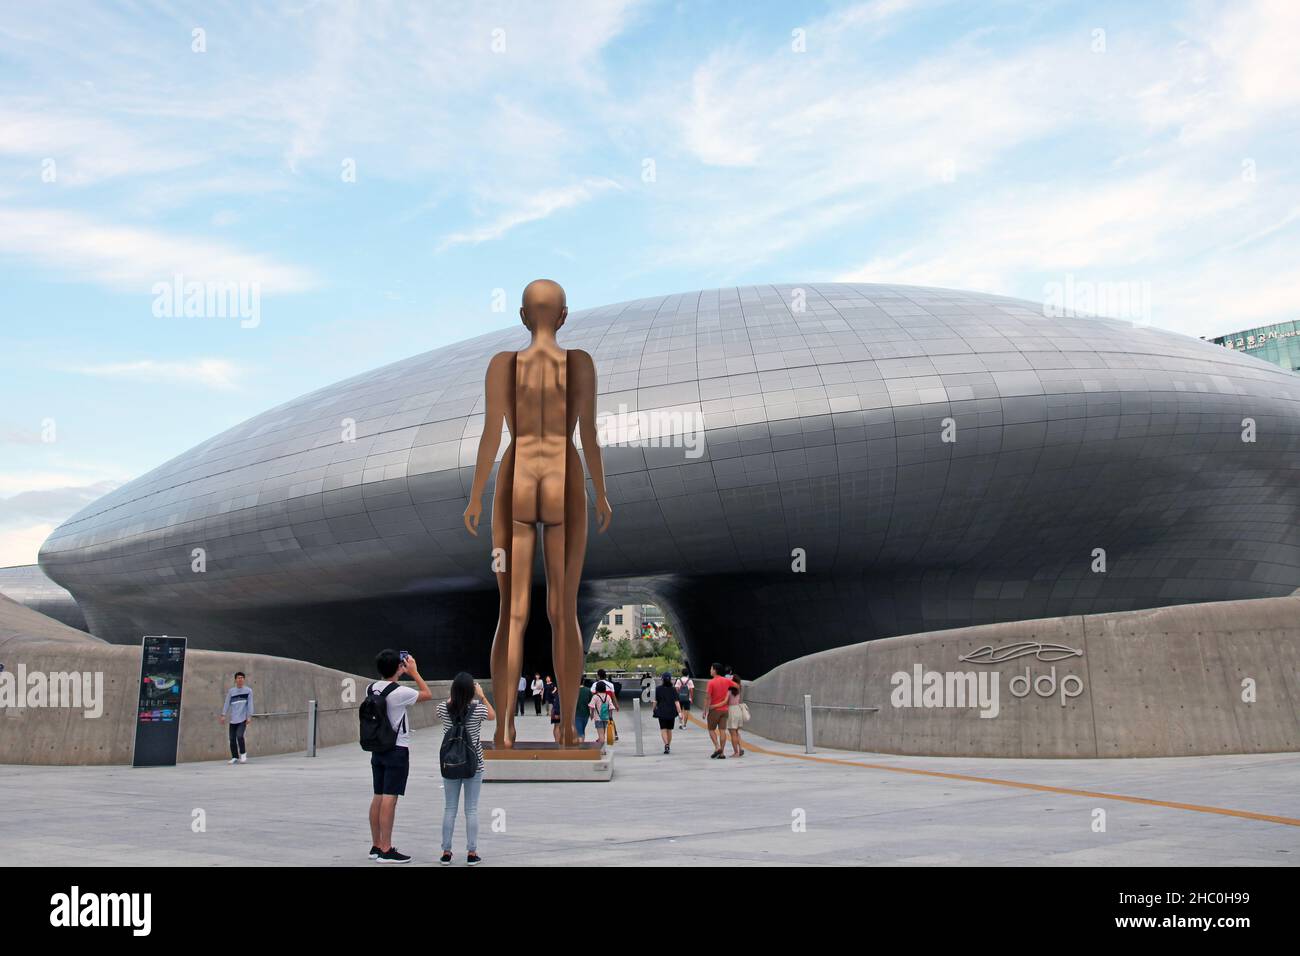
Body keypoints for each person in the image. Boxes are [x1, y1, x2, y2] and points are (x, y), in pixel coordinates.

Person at [367, 649, 432, 863]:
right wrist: (414, 672)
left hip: (377, 748)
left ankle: (376, 845)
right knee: (390, 798)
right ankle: (387, 849)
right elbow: (427, 694)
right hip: (396, 749)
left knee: (378, 795)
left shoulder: (371, 688)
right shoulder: (400, 692)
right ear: (398, 667)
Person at [438, 672, 494, 866]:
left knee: (449, 809)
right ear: (472, 690)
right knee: (471, 809)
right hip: (474, 763)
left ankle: (446, 852)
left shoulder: (443, 708)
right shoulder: (478, 709)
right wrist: (482, 696)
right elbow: (493, 716)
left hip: (451, 762)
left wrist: (454, 696)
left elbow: (447, 705)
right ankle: (472, 852)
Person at [703, 663, 737, 760]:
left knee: (711, 729)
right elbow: (737, 686)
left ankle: (717, 747)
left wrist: (705, 710)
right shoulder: (726, 680)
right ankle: (721, 753)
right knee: (722, 731)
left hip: (714, 710)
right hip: (725, 710)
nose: (710, 670)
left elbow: (707, 697)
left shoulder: (711, 682)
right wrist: (727, 694)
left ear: (715, 670)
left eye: (711, 669)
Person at [219, 672, 254, 764]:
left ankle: (243, 754)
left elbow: (250, 704)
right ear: (235, 680)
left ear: (244, 679)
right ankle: (234, 757)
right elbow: (227, 703)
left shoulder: (248, 691)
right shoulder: (231, 691)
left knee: (239, 736)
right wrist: (223, 715)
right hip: (233, 719)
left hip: (243, 719)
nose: (240, 679)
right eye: (239, 678)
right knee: (232, 739)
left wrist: (249, 716)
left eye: (242, 678)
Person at [653, 672, 682, 754]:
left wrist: (654, 709)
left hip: (661, 712)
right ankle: (668, 745)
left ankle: (666, 745)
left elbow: (655, 701)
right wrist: (680, 713)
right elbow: (677, 703)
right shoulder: (673, 689)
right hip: (671, 712)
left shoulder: (658, 689)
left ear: (662, 679)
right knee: (669, 730)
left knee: (663, 729)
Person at [589, 680, 618, 745]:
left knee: (601, 735)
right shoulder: (608, 696)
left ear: (597, 688)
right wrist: (610, 717)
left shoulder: (595, 697)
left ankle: (602, 750)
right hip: (605, 718)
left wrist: (591, 715)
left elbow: (592, 707)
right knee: (603, 734)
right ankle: (602, 748)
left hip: (598, 719)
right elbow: (611, 707)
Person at [726, 671, 746, 757]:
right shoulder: (739, 690)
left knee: (732, 733)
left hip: (731, 710)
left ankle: (736, 752)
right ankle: (740, 748)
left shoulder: (729, 691)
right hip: (738, 709)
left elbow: (726, 701)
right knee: (737, 732)